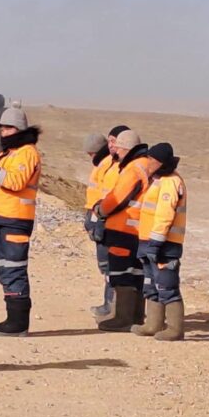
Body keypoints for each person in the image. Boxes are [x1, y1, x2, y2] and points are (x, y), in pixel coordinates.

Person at [0, 105, 41, 336]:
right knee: (6, 269)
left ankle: (18, 323)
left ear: (18, 129)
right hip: (4, 219)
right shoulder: (12, 152)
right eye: (1, 128)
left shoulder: (27, 153)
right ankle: (13, 320)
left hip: (15, 219)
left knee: (14, 269)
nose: (2, 132)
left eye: (7, 128)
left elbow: (15, 182)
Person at [92, 129, 149, 331]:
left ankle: (123, 318)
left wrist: (99, 209)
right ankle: (135, 316)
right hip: (138, 229)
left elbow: (117, 197)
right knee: (136, 273)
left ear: (126, 149)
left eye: (119, 148)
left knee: (121, 274)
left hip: (123, 229)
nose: (116, 151)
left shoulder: (132, 169)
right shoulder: (145, 165)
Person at [131, 142, 187, 341]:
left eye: (152, 160)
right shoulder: (157, 180)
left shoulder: (170, 182)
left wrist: (155, 242)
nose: (148, 163)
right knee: (151, 284)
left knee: (167, 285)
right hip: (148, 242)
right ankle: (153, 324)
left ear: (161, 162)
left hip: (165, 244)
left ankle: (175, 329)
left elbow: (165, 215)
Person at [86, 126, 130, 319]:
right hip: (100, 218)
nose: (112, 145)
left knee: (111, 268)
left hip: (108, 221)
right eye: (110, 141)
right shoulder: (109, 163)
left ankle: (113, 308)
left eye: (115, 141)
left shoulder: (116, 166)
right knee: (106, 267)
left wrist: (99, 217)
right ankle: (109, 305)